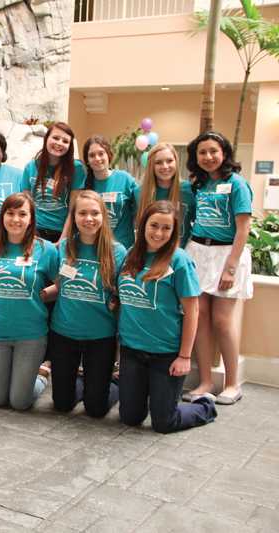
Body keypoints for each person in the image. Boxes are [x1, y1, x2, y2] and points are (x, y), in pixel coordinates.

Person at [117, 200, 217, 432]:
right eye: (154, 226)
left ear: (173, 232)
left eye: (166, 228)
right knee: (130, 418)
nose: (158, 233)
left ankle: (204, 407)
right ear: (143, 226)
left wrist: (184, 357)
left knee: (164, 423)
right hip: (132, 350)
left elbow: (193, 311)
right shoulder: (131, 255)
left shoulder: (179, 261)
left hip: (166, 354)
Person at [183, 131, 253, 405]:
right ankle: (206, 381)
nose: (208, 157)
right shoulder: (198, 184)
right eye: (202, 153)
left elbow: (243, 227)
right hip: (199, 252)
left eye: (213, 151)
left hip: (227, 254)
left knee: (222, 322)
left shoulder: (237, 184)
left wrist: (230, 268)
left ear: (224, 153)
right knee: (199, 319)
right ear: (195, 157)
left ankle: (233, 383)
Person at [47, 190, 125, 417]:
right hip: (63, 333)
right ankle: (84, 383)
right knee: (62, 405)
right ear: (74, 217)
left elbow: (122, 293)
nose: (88, 219)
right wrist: (42, 294)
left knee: (96, 410)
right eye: (82, 213)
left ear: (103, 216)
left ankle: (113, 386)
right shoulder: (63, 248)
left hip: (100, 336)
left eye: (94, 213)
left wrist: (116, 302)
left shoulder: (117, 252)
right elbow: (60, 285)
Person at [0, 192, 57, 409]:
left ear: (31, 219)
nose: (16, 219)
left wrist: (43, 294)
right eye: (10, 213)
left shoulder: (46, 249)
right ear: (3, 217)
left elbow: (61, 284)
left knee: (19, 402)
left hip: (31, 334)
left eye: (22, 214)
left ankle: (42, 375)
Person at [23, 122, 87, 242]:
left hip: (62, 233)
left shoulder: (76, 168)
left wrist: (62, 240)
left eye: (65, 141)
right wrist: (30, 235)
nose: (59, 143)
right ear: (47, 138)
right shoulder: (30, 167)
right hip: (34, 233)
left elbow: (74, 209)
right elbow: (26, 207)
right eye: (56, 138)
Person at [135, 143, 196, 248]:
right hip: (148, 254)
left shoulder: (190, 190)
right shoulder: (139, 192)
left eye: (169, 161)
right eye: (158, 162)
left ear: (176, 162)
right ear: (151, 166)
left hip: (180, 254)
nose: (165, 166)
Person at [82, 135, 137, 248]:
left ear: (109, 155)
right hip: (95, 247)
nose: (97, 158)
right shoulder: (84, 184)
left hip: (124, 247)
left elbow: (140, 208)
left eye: (101, 153)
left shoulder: (125, 179)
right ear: (87, 161)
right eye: (92, 155)